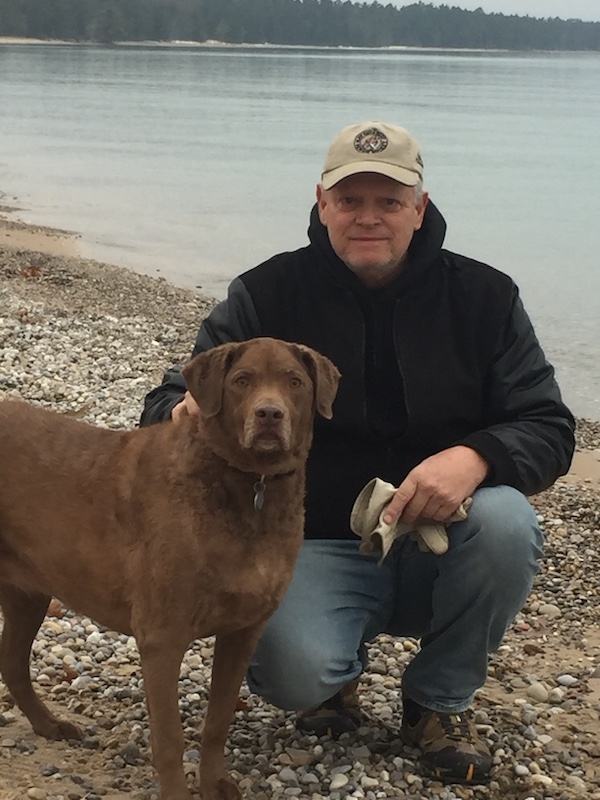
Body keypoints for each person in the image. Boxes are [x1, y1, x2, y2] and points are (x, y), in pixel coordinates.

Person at [141, 121, 575, 785]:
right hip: (306, 544)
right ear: (322, 203)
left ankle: (437, 700)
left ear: (419, 208)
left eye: (389, 201)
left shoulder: (487, 298)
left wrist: (478, 457)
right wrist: (182, 412)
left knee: (509, 522)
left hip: (441, 541)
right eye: (350, 201)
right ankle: (332, 681)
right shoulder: (268, 292)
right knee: (291, 672)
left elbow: (549, 425)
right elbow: (170, 394)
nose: (368, 217)